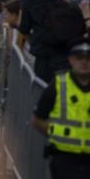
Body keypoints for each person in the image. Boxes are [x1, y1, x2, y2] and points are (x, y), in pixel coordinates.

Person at [32, 40, 90, 178]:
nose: (84, 62)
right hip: (64, 159)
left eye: (88, 58)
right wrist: (57, 134)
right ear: (70, 59)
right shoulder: (58, 84)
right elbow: (37, 120)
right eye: (79, 58)